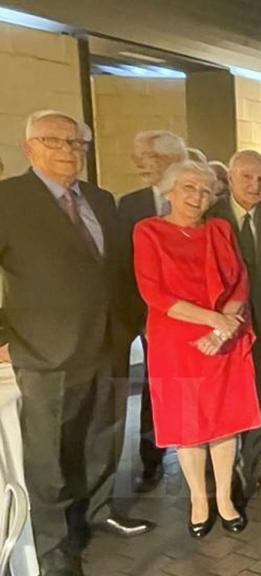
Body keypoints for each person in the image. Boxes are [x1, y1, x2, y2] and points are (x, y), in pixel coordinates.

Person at [0, 110, 153, 576]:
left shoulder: (102, 199)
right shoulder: (7, 199)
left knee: (102, 438)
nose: (69, 150)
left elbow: (118, 268)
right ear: (30, 148)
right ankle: (54, 547)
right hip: (46, 349)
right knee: (50, 454)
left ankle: (99, 511)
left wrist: (130, 324)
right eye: (56, 141)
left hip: (109, 341)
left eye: (78, 143)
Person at [133, 159, 260, 538]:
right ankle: (198, 501)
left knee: (225, 423)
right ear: (168, 190)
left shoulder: (220, 228)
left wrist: (222, 329)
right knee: (188, 426)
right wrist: (212, 321)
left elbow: (240, 283)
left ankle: (224, 499)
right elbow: (153, 292)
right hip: (177, 342)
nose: (197, 196)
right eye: (189, 187)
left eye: (205, 190)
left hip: (223, 338)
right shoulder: (148, 231)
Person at [206, 150, 261, 503]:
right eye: (246, 178)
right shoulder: (213, 218)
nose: (255, 185)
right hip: (223, 331)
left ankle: (259, 464)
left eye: (260, 178)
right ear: (229, 178)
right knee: (225, 402)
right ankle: (222, 474)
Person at [118, 129, 188, 492]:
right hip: (150, 318)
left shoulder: (194, 200)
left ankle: (198, 454)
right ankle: (151, 459)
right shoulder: (129, 204)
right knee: (152, 387)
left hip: (192, 319)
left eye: (148, 157)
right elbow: (121, 263)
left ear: (172, 160)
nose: (139, 164)